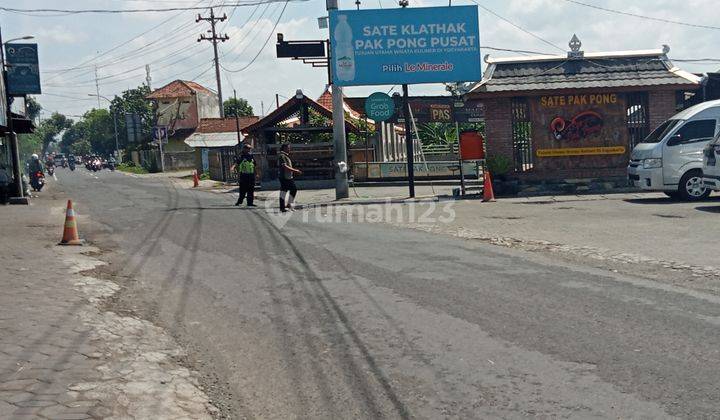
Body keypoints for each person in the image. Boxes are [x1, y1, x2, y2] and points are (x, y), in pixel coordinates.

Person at [278, 143, 302, 212]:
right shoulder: (282, 156)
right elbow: (285, 166)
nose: (289, 149)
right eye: (288, 148)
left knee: (288, 191)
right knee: (290, 190)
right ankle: (284, 206)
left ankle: (286, 205)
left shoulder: (285, 156)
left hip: (288, 176)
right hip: (284, 177)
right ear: (284, 148)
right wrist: (295, 170)